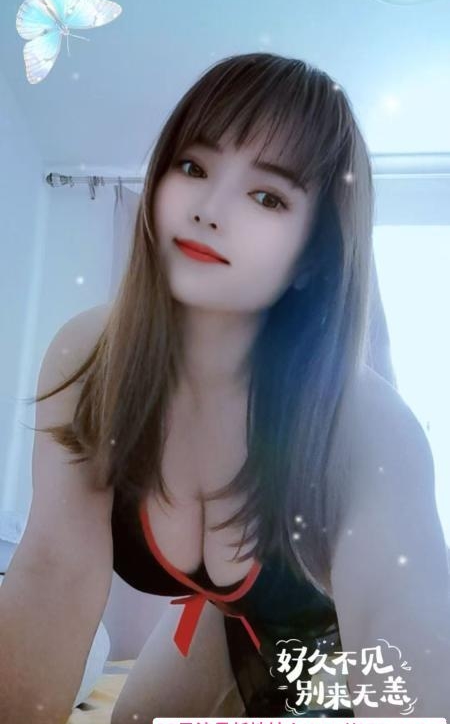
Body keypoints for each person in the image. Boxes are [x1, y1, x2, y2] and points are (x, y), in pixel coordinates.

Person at [4, 52, 449, 722]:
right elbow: (52, 573)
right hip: (223, 616)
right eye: (193, 167)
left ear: (314, 255)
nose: (209, 211)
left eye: (268, 198)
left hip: (330, 654)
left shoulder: (369, 427)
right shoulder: (91, 358)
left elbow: (409, 657)